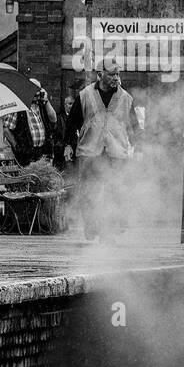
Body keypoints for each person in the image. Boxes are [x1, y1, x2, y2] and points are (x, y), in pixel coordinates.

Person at [63, 57, 139, 240]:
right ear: (100, 75)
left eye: (118, 74)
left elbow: (134, 127)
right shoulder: (85, 95)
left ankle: (110, 231)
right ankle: (91, 224)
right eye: (112, 74)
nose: (116, 78)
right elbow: (71, 123)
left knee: (116, 192)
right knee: (88, 192)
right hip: (90, 150)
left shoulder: (126, 98)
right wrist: (68, 145)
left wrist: (140, 146)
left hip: (116, 152)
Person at [11, 81, 59, 167]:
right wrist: (17, 147)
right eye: (34, 90)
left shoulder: (42, 106)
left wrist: (46, 101)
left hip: (41, 153)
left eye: (38, 91)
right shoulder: (18, 107)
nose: (36, 94)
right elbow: (7, 129)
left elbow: (54, 119)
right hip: (25, 154)